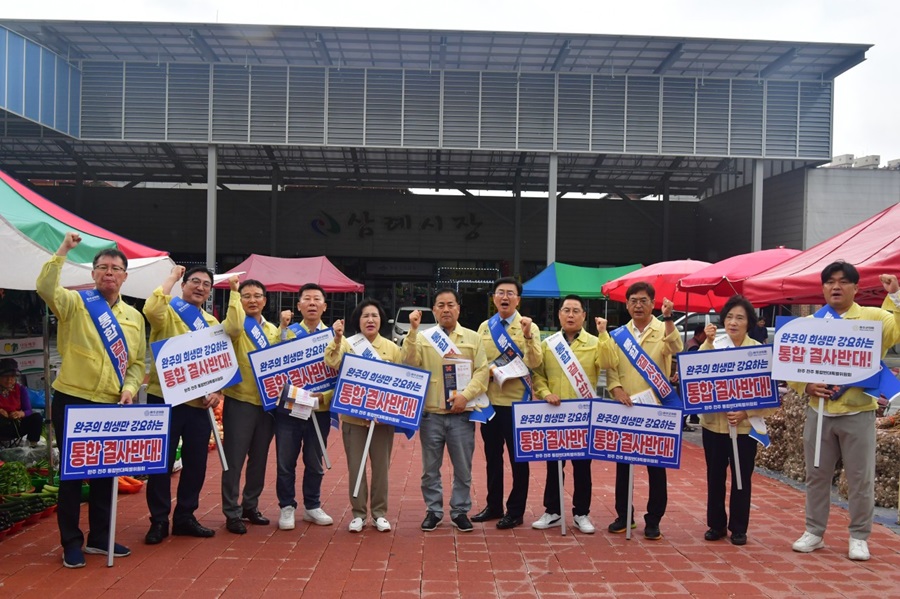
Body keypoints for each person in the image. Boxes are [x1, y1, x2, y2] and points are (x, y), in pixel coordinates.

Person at [36, 232, 146, 568]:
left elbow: (137, 363)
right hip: (73, 398)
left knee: (105, 474)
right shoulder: (75, 303)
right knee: (72, 476)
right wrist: (63, 250)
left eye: (115, 268)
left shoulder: (134, 317)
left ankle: (100, 538)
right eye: (102, 267)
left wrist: (129, 388)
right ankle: (71, 541)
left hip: (111, 403)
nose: (109, 272)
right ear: (93, 273)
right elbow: (45, 288)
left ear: (125, 276)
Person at [789, 262, 900, 561]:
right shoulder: (810, 323)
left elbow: (897, 331)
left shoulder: (873, 318)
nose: (835, 287)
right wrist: (805, 386)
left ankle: (859, 537)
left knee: (860, 477)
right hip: (820, 412)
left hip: (858, 413)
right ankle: (814, 532)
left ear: (856, 287)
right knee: (816, 475)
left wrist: (897, 295)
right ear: (823, 287)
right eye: (830, 282)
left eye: (842, 282)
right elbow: (791, 364)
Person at [142, 265, 222, 545]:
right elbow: (151, 310)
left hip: (198, 404)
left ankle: (186, 516)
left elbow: (219, 363)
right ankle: (159, 520)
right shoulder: (168, 311)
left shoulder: (212, 323)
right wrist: (171, 278)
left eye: (206, 285)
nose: (200, 287)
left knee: (196, 463)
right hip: (164, 398)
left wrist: (217, 390)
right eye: (194, 282)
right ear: (184, 285)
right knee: (160, 463)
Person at [401, 289, 489, 532]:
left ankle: (460, 511)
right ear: (435, 310)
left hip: (461, 416)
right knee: (430, 470)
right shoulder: (423, 337)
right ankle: (434, 511)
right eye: (441, 305)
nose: (446, 309)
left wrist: (465, 396)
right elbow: (409, 363)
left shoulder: (473, 338)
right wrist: (412, 332)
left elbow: (482, 372)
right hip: (431, 415)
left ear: (458, 308)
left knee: (463, 468)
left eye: (451, 304)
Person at [531, 295, 617, 534]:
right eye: (566, 310)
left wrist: (603, 334)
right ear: (559, 314)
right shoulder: (549, 344)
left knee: (582, 467)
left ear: (584, 316)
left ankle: (582, 513)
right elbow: (537, 374)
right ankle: (553, 511)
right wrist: (545, 393)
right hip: (554, 413)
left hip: (582, 415)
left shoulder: (594, 341)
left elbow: (610, 363)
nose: (570, 315)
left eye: (576, 311)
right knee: (553, 465)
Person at [606, 282, 682, 540]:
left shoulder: (664, 329)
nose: (638, 305)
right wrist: (616, 389)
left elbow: (676, 349)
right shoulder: (619, 335)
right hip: (625, 408)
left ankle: (654, 520)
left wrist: (670, 318)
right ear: (626, 305)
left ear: (653, 304)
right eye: (633, 301)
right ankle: (623, 515)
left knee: (655, 467)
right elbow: (611, 369)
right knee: (623, 465)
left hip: (655, 408)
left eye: (643, 301)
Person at [698, 295, 775, 546]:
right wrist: (707, 344)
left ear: (749, 322)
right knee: (715, 476)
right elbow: (696, 378)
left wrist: (746, 413)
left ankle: (739, 527)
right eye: (729, 317)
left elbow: (769, 396)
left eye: (739, 317)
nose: (733, 322)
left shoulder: (759, 352)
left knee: (742, 478)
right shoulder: (714, 345)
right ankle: (716, 524)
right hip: (714, 426)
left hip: (743, 429)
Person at [221, 275, 292, 535]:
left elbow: (281, 358)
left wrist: (284, 328)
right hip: (240, 400)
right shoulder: (236, 323)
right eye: (246, 296)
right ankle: (231, 511)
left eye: (257, 296)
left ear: (265, 300)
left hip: (267, 405)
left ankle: (250, 505)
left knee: (259, 459)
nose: (252, 300)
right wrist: (232, 293)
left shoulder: (272, 329)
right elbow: (233, 330)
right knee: (234, 460)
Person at [324, 298, 401, 532]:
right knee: (356, 467)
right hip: (353, 419)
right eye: (365, 316)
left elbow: (397, 383)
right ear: (358, 321)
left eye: (375, 316)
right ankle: (358, 513)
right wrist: (336, 339)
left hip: (380, 420)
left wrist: (385, 409)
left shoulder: (392, 348)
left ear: (381, 320)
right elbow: (332, 361)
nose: (370, 320)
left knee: (381, 468)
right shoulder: (347, 344)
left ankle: (379, 514)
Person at [472, 277, 542, 530]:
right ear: (494, 298)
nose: (505, 297)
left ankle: (516, 511)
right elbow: (478, 361)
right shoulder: (484, 327)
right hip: (490, 403)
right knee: (492, 457)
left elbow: (535, 363)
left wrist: (527, 337)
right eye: (500, 293)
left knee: (518, 460)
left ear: (518, 299)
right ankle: (494, 506)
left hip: (516, 404)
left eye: (510, 293)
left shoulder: (528, 327)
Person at [274, 283, 335, 530]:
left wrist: (325, 396)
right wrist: (281, 328)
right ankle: (286, 506)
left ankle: (312, 505)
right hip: (289, 410)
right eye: (307, 299)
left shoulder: (333, 337)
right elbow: (271, 367)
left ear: (324, 306)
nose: (312, 303)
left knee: (314, 460)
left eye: (316, 299)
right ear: (298, 305)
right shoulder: (286, 333)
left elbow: (340, 375)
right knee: (285, 461)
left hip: (318, 410)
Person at [0, 357, 42, 447]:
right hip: (1, 427)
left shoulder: (20, 389)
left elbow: (28, 410)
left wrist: (20, 413)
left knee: (36, 418)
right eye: (5, 377)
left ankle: (32, 446)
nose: (9, 380)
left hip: (16, 426)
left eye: (12, 377)